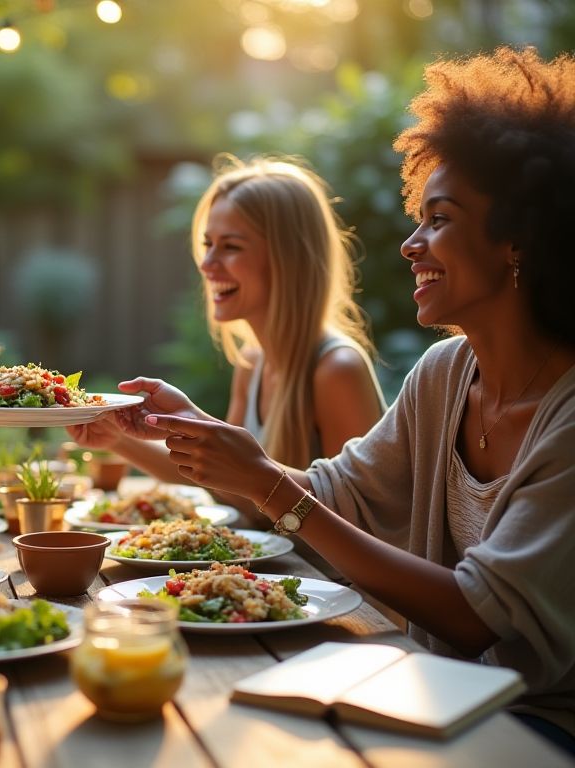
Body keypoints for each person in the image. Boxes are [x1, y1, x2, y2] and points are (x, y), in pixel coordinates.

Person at [113, 47, 575, 754]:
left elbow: (478, 616)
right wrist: (201, 432)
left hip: (534, 724)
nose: (411, 244)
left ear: (518, 239)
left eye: (441, 219)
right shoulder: (445, 373)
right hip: (428, 688)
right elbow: (334, 491)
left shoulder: (566, 417)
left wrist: (264, 481)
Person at [67, 156, 385, 517]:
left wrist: (198, 427)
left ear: (289, 260)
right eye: (208, 244)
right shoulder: (254, 361)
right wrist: (118, 438)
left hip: (320, 576)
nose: (206, 264)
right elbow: (231, 485)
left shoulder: (336, 369)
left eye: (231, 246)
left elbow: (360, 516)